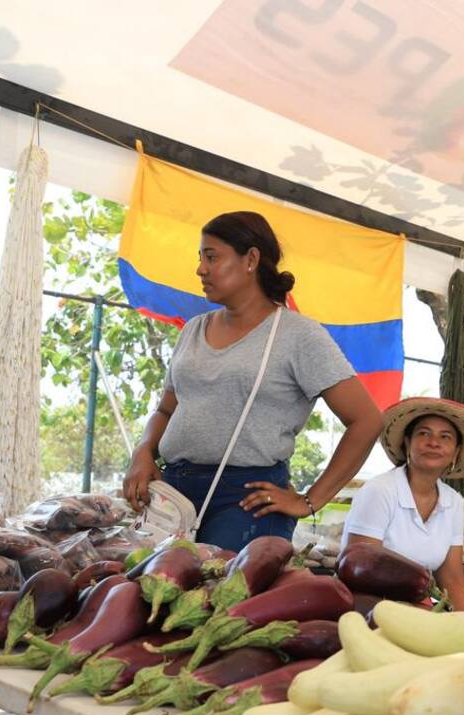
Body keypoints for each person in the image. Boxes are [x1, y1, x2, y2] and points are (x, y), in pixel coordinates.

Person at [123, 211, 383, 550]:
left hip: (245, 500)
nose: (200, 269)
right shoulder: (193, 330)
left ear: (251, 260)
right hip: (173, 492)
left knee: (219, 599)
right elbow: (165, 411)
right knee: (155, 593)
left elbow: (366, 420)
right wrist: (142, 452)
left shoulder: (298, 335)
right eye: (200, 258)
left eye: (212, 256)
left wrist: (309, 501)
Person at [341, 398, 464, 612]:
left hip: (416, 610)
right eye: (423, 433)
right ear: (407, 444)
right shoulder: (380, 490)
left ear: (455, 452)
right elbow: (361, 570)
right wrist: (419, 612)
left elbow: (452, 577)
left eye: (445, 437)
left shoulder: (454, 502)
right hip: (362, 609)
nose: (433, 442)